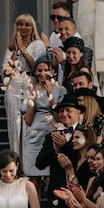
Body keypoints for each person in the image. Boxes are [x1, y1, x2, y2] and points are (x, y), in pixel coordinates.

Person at [2, 14, 46, 155]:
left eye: (27, 25)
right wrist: (16, 49)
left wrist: (23, 49)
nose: (23, 27)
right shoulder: (10, 49)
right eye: (20, 24)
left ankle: (27, 160)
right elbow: (6, 71)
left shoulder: (38, 45)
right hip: (13, 86)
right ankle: (15, 158)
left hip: (30, 84)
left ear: (32, 28)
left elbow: (37, 67)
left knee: (27, 124)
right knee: (14, 125)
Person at [23, 57, 66, 197]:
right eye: (39, 70)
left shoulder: (60, 90)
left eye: (46, 70)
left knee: (51, 177)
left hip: (51, 134)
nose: (42, 73)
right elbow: (27, 121)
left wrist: (51, 96)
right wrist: (33, 101)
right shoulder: (30, 89)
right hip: (33, 137)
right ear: (35, 72)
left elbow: (60, 117)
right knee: (34, 179)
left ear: (52, 71)